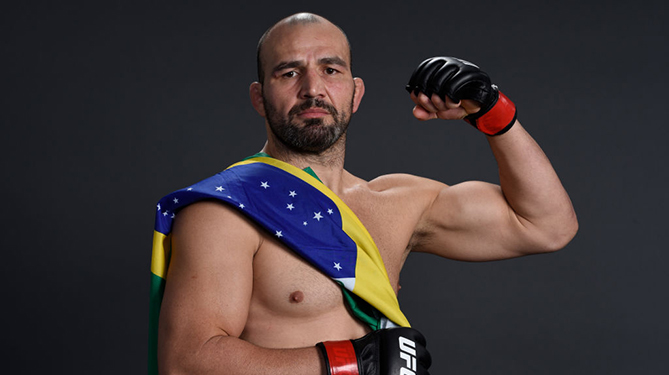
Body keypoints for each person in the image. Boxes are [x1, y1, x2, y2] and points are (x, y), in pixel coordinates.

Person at [149, 12, 578, 375]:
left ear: (356, 94)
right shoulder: (225, 210)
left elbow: (546, 226)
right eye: (289, 72)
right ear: (260, 98)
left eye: (331, 70)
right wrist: (348, 361)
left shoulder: (398, 202)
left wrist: (492, 110)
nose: (312, 88)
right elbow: (186, 360)